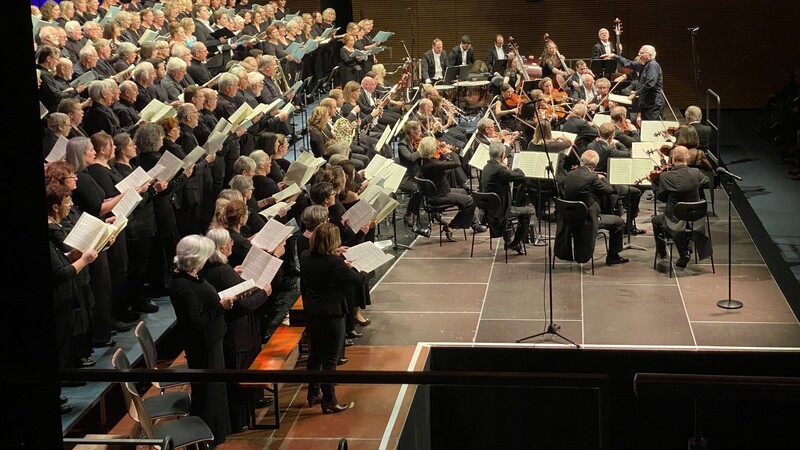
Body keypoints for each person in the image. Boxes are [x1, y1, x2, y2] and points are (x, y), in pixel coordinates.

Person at [202, 228, 271, 433]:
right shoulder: (222, 271)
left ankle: (243, 413)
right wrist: (264, 293)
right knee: (238, 378)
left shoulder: (214, 267)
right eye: (230, 242)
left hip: (232, 333)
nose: (233, 244)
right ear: (222, 246)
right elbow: (241, 306)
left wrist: (237, 274)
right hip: (237, 335)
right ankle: (239, 420)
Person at [169, 234, 233, 446]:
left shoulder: (190, 277)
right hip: (203, 346)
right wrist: (219, 307)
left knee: (215, 391)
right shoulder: (185, 288)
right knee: (208, 395)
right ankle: (207, 437)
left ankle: (217, 432)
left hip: (211, 340)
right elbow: (195, 323)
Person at [300, 222, 365, 414]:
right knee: (330, 358)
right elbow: (358, 281)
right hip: (331, 315)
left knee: (315, 354)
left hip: (312, 312)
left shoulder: (305, 257)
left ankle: (313, 392)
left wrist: (336, 258)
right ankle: (329, 400)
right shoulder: (334, 263)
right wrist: (352, 268)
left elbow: (322, 266)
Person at [558, 150, 629, 266]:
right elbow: (611, 190)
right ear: (595, 165)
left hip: (569, 217)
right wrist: (603, 178)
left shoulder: (570, 174)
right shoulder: (592, 178)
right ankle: (613, 256)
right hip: (587, 218)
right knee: (619, 222)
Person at [651, 146, 712, 268]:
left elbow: (661, 198)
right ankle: (687, 249)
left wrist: (654, 184)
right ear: (687, 157)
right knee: (685, 221)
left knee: (655, 220)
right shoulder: (696, 173)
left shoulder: (666, 177)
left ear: (673, 158)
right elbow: (706, 181)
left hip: (675, 217)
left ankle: (662, 253)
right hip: (695, 216)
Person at [418, 136, 486, 240]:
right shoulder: (433, 164)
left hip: (439, 192)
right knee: (471, 201)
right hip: (439, 196)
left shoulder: (425, 160)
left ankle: (474, 223)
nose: (438, 148)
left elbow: (441, 161)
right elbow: (457, 163)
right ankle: (451, 227)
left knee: (463, 192)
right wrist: (449, 152)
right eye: (436, 147)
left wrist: (442, 152)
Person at [480, 142, 534, 254]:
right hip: (500, 212)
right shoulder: (499, 170)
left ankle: (508, 240)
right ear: (502, 155)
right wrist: (516, 169)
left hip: (488, 210)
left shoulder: (486, 167)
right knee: (528, 211)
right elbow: (521, 177)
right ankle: (515, 243)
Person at [602, 45, 663, 121]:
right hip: (646, 102)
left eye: (641, 53)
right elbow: (628, 63)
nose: (639, 55)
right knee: (645, 125)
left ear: (649, 55)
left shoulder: (653, 65)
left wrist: (635, 94)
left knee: (650, 126)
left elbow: (650, 83)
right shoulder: (643, 64)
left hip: (653, 103)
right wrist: (615, 56)